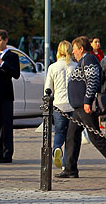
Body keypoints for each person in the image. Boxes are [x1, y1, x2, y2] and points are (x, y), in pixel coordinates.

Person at [56, 36, 106, 179]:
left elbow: (93, 81)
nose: (73, 53)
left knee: (95, 138)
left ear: (81, 49)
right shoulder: (83, 61)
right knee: (71, 136)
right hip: (78, 108)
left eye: (75, 50)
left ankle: (70, 168)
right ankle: (70, 169)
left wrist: (87, 101)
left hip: (85, 107)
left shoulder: (89, 59)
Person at [0, 29, 20, 163]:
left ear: (6, 40)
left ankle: (7, 153)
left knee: (6, 124)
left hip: (6, 94)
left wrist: (3, 64)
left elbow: (16, 74)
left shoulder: (12, 56)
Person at [44, 40, 76, 169]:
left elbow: (48, 89)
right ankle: (67, 162)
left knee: (59, 132)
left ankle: (57, 149)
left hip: (58, 104)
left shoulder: (53, 67)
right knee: (71, 135)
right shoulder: (75, 66)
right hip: (73, 105)